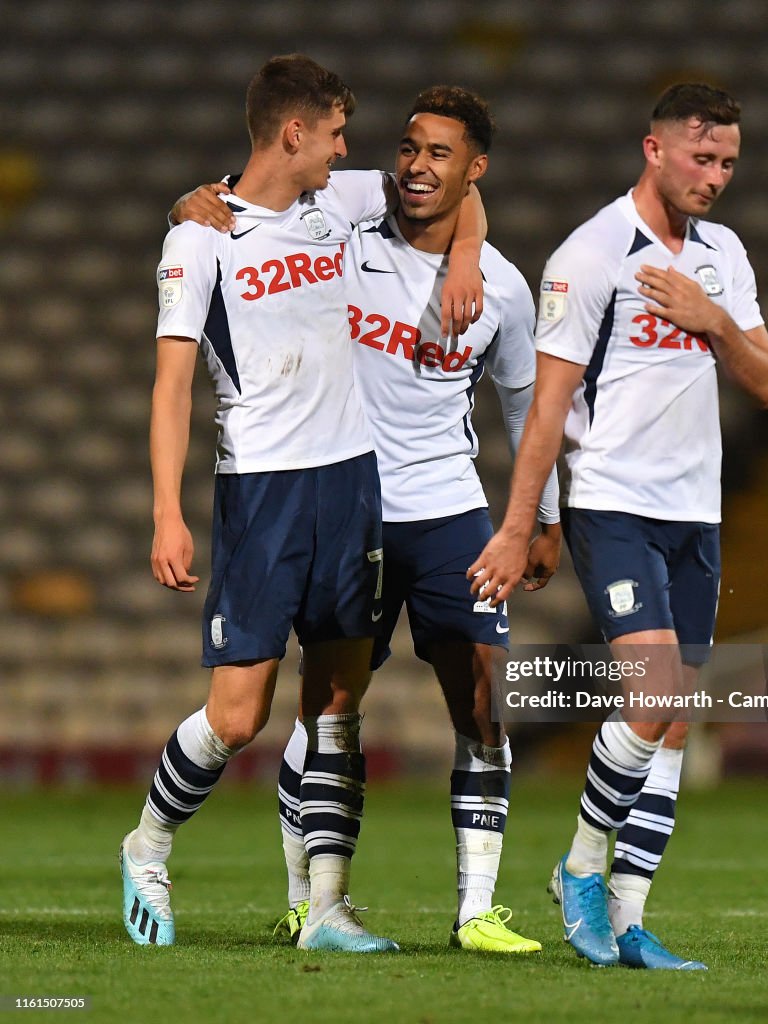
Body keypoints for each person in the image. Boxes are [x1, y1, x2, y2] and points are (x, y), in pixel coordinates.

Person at [178, 86, 561, 955]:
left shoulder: (497, 285)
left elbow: (525, 401)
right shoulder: (338, 235)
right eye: (408, 149)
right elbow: (253, 201)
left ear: (476, 170)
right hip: (344, 501)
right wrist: (190, 200)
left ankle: (476, 912)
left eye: (441, 155)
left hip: (448, 508)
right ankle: (308, 900)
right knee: (327, 711)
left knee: (483, 700)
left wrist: (542, 515)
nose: (417, 167)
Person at [120, 54, 483, 954]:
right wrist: (166, 510)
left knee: (332, 705)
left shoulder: (343, 199)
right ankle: (149, 842)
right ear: (294, 133)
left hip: (351, 481)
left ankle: (325, 906)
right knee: (239, 718)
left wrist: (468, 255)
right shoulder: (198, 238)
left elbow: (454, 190)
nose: (352, 153)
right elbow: (170, 388)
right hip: (264, 490)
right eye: (334, 134)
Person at [468, 82, 768, 969]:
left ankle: (630, 918)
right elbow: (547, 406)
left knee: (675, 725)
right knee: (657, 702)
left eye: (726, 162)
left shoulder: (722, 253)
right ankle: (577, 870)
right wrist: (520, 521)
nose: (714, 177)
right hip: (614, 500)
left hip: (696, 510)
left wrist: (711, 317)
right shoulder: (591, 254)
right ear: (653, 150)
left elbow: (766, 381)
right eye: (700, 158)